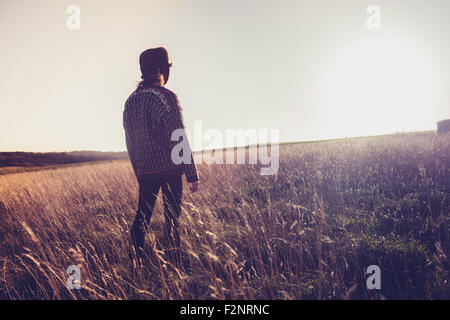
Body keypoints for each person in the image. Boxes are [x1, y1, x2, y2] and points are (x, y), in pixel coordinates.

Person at [123, 47, 199, 266]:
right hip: (170, 169)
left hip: (145, 172)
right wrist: (191, 173)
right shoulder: (166, 97)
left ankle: (135, 259)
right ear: (161, 69)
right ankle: (173, 261)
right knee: (172, 217)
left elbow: (131, 143)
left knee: (142, 216)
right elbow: (179, 137)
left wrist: (139, 172)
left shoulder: (130, 102)